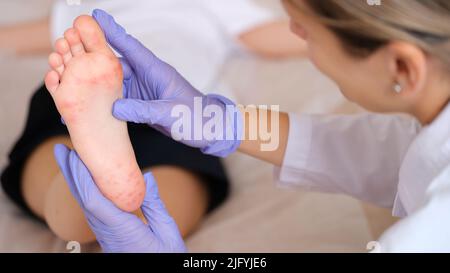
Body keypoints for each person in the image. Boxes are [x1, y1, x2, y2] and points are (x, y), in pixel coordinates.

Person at [39, 0, 450, 252]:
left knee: (76, 194)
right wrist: (219, 121)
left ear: (401, 67)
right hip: (135, 108)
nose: (294, 34)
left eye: (306, 33)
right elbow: (383, 152)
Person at [0, 0, 306, 244]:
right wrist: (342, 28)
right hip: (171, 113)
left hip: (106, 99)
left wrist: (335, 25)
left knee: (60, 178)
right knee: (170, 200)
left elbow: (16, 36)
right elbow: (283, 36)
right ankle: (115, 199)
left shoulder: (88, 8)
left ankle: (88, 191)